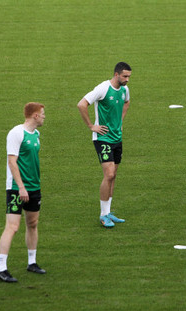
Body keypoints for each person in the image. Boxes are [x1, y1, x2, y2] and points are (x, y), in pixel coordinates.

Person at [0, 102, 46, 283]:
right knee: (13, 227)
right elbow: (12, 162)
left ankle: (32, 262)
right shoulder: (16, 133)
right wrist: (21, 187)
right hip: (17, 188)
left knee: (33, 223)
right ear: (34, 116)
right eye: (42, 113)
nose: (44, 116)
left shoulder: (36, 134)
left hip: (34, 187)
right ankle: (1, 268)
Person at [77, 62, 131, 228]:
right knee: (108, 174)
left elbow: (127, 102)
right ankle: (102, 215)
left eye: (129, 76)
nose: (127, 80)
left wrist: (120, 121)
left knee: (113, 174)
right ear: (116, 74)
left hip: (117, 137)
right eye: (125, 76)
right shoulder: (103, 88)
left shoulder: (124, 90)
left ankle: (108, 212)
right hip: (103, 138)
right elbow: (82, 104)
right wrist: (91, 126)